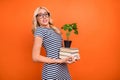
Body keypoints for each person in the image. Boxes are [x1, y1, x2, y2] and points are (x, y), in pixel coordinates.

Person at [32, 6, 75, 80]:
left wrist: (70, 57)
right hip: (52, 71)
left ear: (49, 16)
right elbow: (35, 57)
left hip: (63, 69)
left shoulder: (56, 30)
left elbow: (60, 51)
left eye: (46, 14)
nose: (44, 17)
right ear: (36, 18)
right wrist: (59, 61)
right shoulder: (40, 30)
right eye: (40, 15)